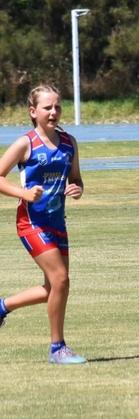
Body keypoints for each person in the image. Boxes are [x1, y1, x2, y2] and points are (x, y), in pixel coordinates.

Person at [0, 84, 86, 365]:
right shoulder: (26, 143)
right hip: (31, 223)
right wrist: (23, 193)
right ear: (33, 111)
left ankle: (2, 307)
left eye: (57, 107)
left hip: (57, 223)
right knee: (61, 279)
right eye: (47, 107)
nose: (54, 112)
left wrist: (77, 188)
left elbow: (76, 179)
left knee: (54, 288)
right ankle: (57, 348)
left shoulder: (69, 143)